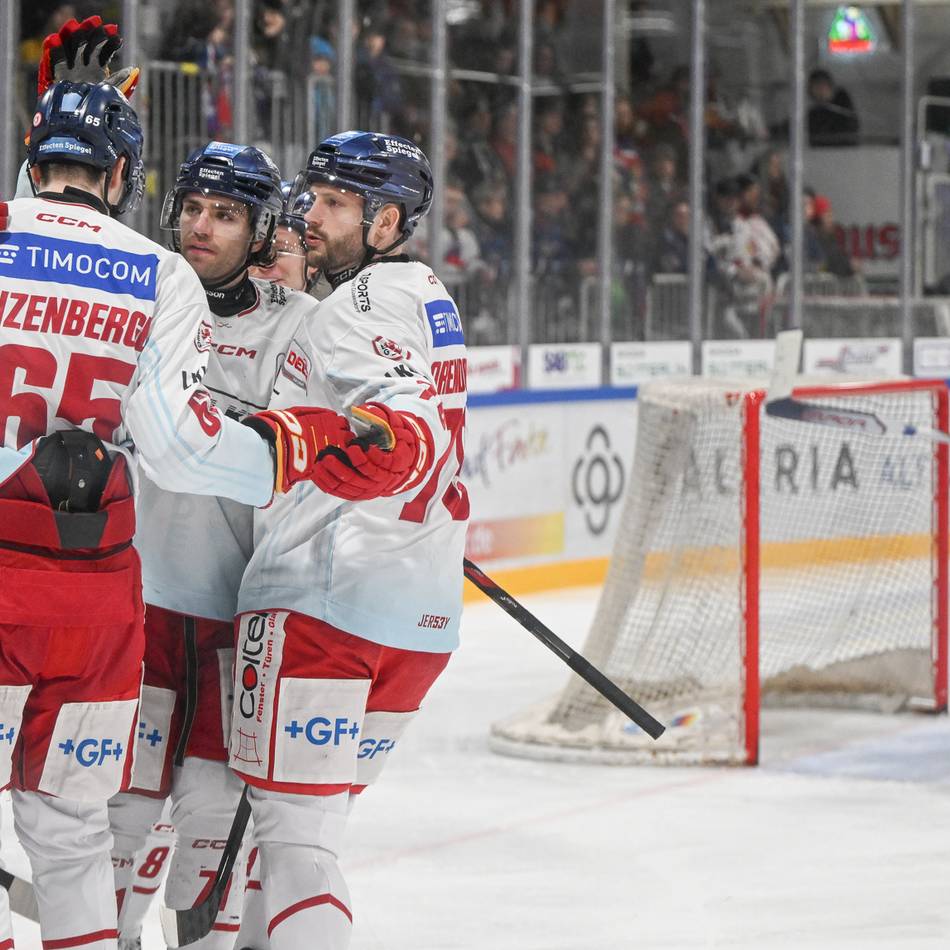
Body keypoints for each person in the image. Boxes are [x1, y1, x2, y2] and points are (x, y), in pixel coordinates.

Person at [0, 80, 347, 950]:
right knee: (81, 840)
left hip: (52, 583)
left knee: (188, 838)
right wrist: (292, 448)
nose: (200, 226)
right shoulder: (156, 277)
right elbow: (179, 447)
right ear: (125, 175)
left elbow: (28, 229)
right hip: (105, 604)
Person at [230, 131, 469, 950]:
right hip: (417, 616)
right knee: (300, 834)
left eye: (335, 202)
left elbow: (399, 434)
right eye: (314, 195)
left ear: (385, 220)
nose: (312, 214)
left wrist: (303, 443)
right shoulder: (426, 293)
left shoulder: (354, 309)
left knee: (294, 842)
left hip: (323, 606)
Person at [107, 141, 322, 950]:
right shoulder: (143, 298)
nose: (201, 226)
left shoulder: (299, 326)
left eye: (225, 214)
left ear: (259, 227)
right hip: (138, 612)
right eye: (193, 208)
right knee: (120, 821)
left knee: (210, 837)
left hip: (238, 625)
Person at [249, 182, 310, 291]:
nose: (264, 263)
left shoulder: (341, 305)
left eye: (281, 250)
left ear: (312, 264)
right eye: (254, 249)